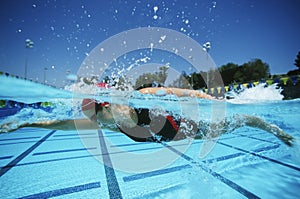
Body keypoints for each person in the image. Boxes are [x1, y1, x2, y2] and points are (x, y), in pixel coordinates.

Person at [0, 87, 295, 146]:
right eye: (93, 117)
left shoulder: (143, 98)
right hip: (172, 137)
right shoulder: (109, 122)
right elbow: (62, 124)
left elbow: (182, 93)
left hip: (192, 128)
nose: (99, 121)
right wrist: (25, 121)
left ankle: (272, 128)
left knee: (240, 121)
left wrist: (217, 100)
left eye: (98, 112)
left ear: (109, 103)